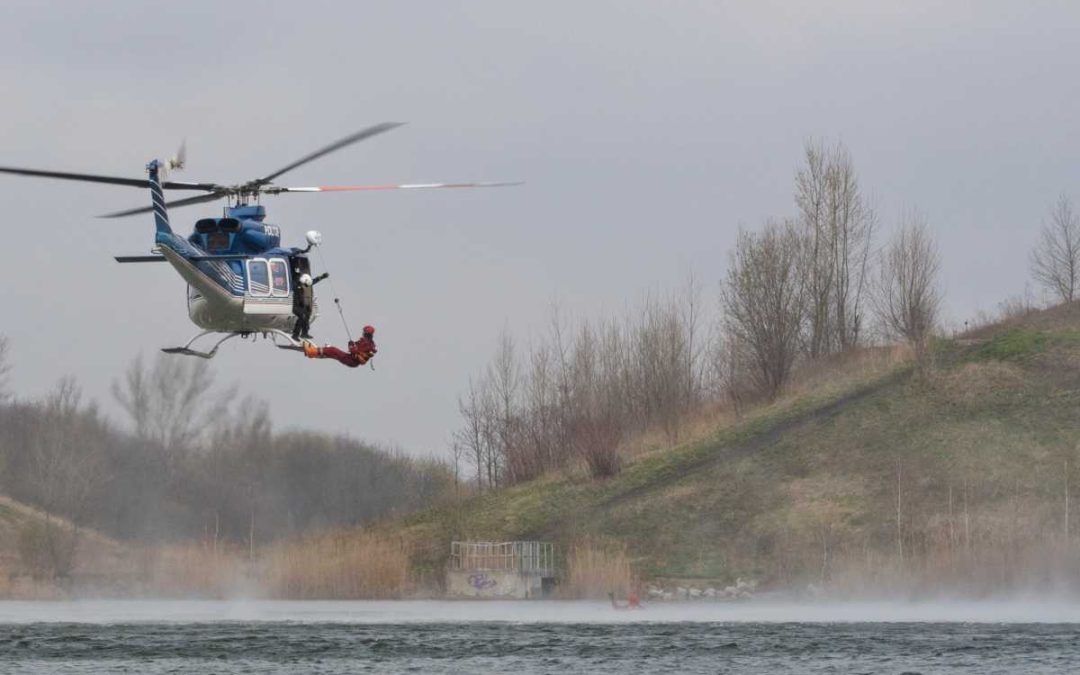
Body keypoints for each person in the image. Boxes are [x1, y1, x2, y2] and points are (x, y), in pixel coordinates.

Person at [303, 325, 377, 368]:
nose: (362, 333)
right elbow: (356, 348)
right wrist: (352, 344)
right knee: (333, 353)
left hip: (351, 360)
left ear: (366, 333)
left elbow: (354, 351)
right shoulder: (369, 343)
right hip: (353, 360)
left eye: (363, 332)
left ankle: (310, 352)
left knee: (333, 350)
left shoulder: (366, 343)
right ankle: (316, 353)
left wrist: (351, 346)